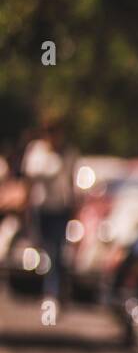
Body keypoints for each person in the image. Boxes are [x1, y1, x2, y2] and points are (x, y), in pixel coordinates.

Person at [20, 122, 78, 304]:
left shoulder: (68, 153)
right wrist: (26, 203)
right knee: (43, 248)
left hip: (60, 208)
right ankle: (53, 287)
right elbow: (29, 179)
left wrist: (74, 206)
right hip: (41, 207)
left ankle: (52, 292)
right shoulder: (36, 151)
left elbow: (71, 181)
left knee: (57, 251)